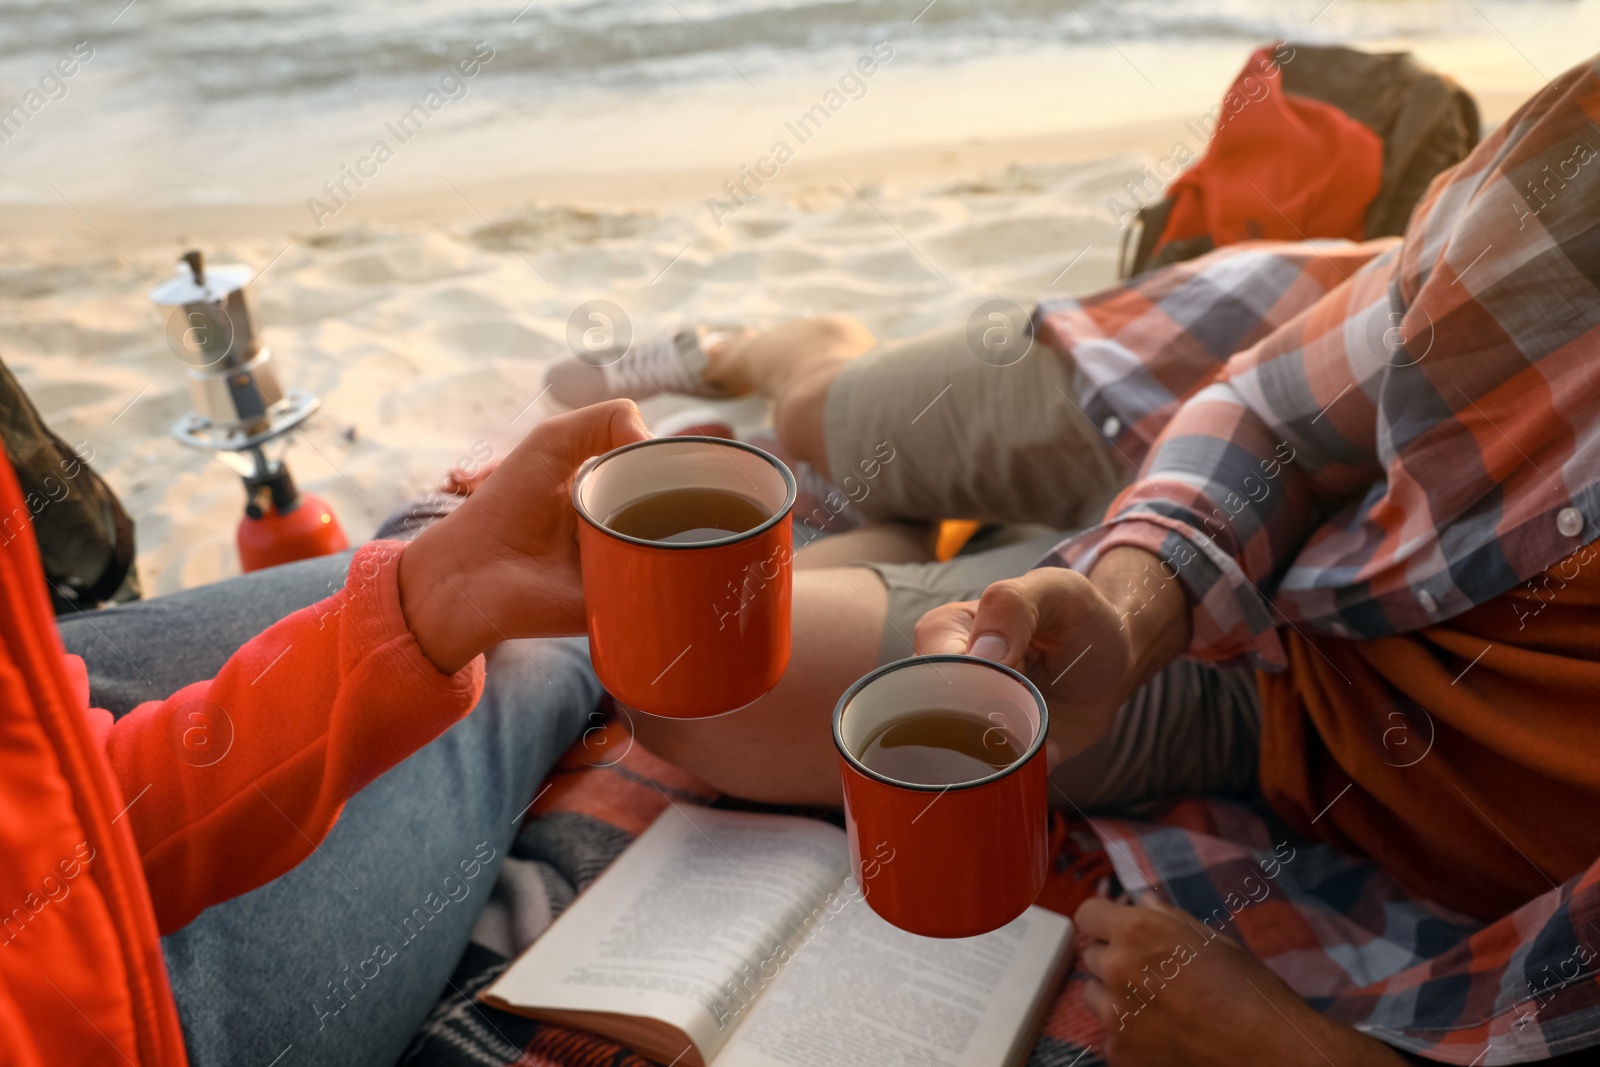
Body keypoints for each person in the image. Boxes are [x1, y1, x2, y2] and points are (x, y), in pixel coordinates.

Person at [550, 56, 1600, 1065]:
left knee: (696, 694)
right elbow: (1279, 415)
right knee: (819, 417)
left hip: (1284, 714)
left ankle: (937, 538)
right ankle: (782, 345)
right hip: (1204, 435)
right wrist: (1129, 609)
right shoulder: (1582, 164)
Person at [1, 400, 650, 1067]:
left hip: (49, 791)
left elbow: (59, 818)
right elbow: (77, 869)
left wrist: (441, 587)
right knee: (533, 656)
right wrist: (439, 609)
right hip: (94, 1018)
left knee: (438, 569)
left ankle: (436, 524)